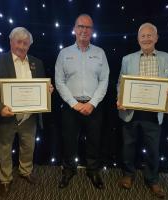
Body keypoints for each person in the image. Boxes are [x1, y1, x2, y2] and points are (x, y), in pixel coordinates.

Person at [0, 27, 53, 196]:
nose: (22, 46)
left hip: (29, 117)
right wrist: (0, 108)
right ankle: (5, 179)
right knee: (5, 148)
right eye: (19, 42)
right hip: (7, 116)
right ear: (11, 41)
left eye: (26, 43)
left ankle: (25, 171)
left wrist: (47, 90)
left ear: (29, 44)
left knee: (28, 146)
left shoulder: (37, 62)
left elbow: (41, 88)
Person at [116, 23, 168, 198]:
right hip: (130, 111)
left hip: (153, 113)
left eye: (150, 35)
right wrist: (120, 99)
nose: (147, 38)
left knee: (153, 149)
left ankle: (152, 180)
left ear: (156, 38)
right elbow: (121, 83)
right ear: (138, 39)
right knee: (128, 146)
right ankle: (128, 175)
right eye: (143, 36)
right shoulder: (127, 59)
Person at [55, 14, 109, 189]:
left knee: (94, 140)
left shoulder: (100, 53)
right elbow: (59, 82)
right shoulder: (64, 53)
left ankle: (93, 170)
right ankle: (69, 169)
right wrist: (74, 103)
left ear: (92, 31)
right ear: (74, 29)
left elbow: (104, 80)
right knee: (69, 140)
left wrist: (92, 103)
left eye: (88, 27)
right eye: (81, 26)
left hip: (94, 106)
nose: (84, 30)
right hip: (71, 106)